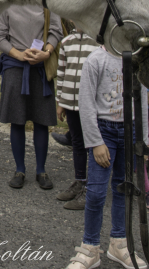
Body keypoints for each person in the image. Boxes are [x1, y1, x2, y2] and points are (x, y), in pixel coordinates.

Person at [66, 45, 149, 269]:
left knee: (124, 189)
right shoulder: (95, 60)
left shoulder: (136, 60)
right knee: (96, 192)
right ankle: (90, 247)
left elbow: (141, 100)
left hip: (129, 131)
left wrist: (142, 140)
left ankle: (119, 243)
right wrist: (95, 142)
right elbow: (85, 103)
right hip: (104, 132)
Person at [0, 5, 63, 190]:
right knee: (17, 120)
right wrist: (19, 54)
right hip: (15, 67)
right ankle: (19, 170)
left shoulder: (46, 1)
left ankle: (41, 171)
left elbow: (56, 30)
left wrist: (46, 53)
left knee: (42, 121)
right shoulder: (9, 2)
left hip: (40, 68)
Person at [54, 26, 100, 209]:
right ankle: (80, 180)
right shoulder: (66, 42)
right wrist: (60, 102)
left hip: (90, 106)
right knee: (77, 143)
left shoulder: (98, 43)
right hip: (70, 103)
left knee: (93, 144)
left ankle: (92, 188)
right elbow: (62, 73)